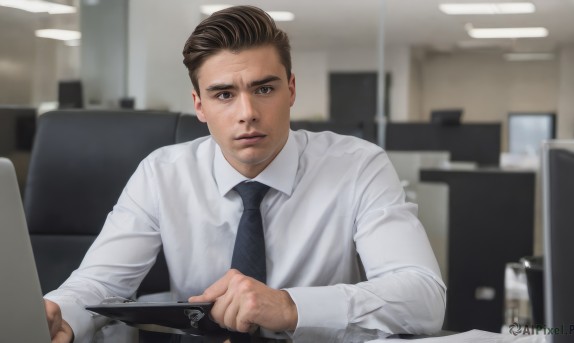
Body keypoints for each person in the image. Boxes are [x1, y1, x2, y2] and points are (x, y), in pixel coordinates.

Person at [44, 5, 446, 342]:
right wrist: (58, 315)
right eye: (223, 94)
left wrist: (291, 305)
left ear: (291, 90)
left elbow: (423, 297)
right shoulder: (162, 174)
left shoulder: (358, 165)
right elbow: (100, 284)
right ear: (199, 106)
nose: (247, 112)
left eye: (264, 89)